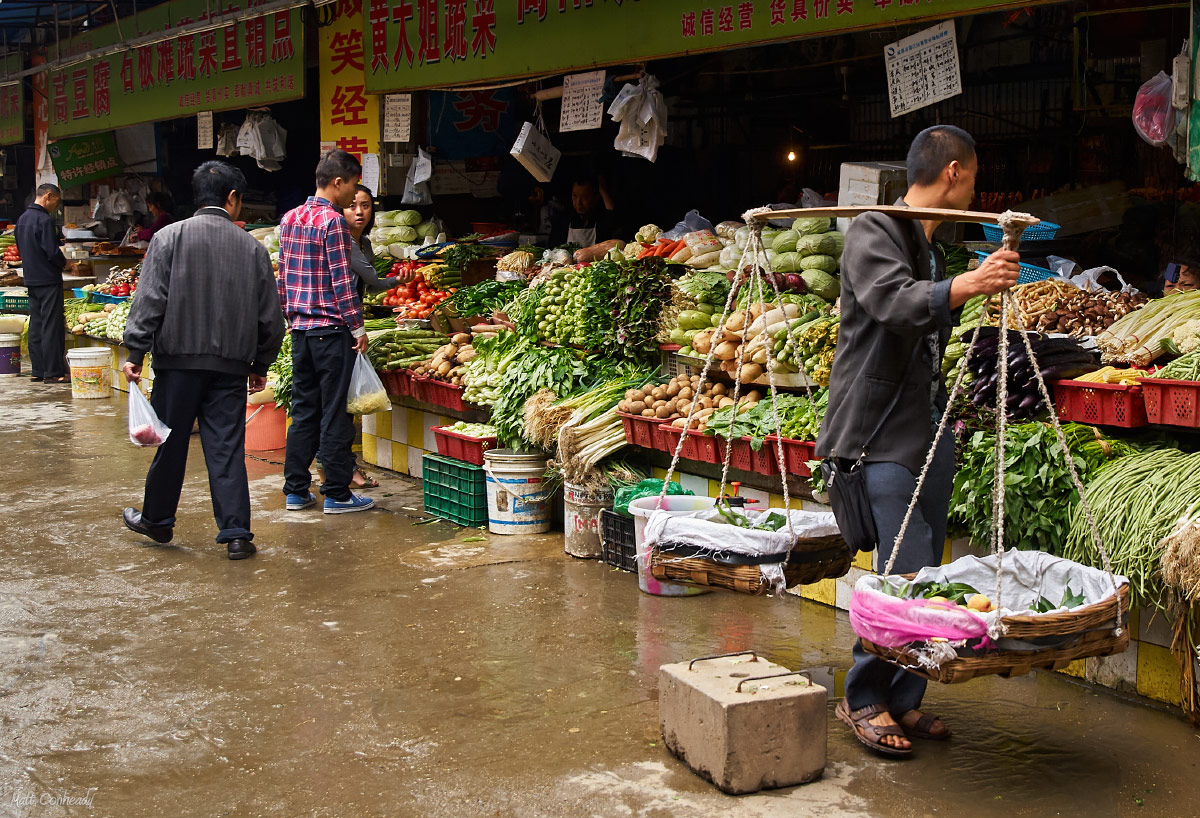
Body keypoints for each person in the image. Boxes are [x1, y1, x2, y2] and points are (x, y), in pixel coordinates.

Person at [815, 125, 1020, 758]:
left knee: (928, 570)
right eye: (976, 174)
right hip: (878, 431)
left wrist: (965, 288)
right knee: (901, 574)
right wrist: (969, 285)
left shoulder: (929, 246)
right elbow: (894, 304)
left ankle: (906, 700)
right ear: (954, 172)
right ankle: (865, 698)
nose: (975, 187)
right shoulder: (874, 229)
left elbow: (927, 313)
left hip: (923, 426)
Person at [120, 161, 285, 561]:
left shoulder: (168, 237)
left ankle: (158, 520)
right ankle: (236, 533)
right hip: (230, 366)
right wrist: (261, 365)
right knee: (226, 448)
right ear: (232, 199)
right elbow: (271, 319)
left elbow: (150, 299)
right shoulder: (252, 248)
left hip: (177, 363)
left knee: (171, 442)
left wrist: (136, 351)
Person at [277, 149, 375, 515]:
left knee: (303, 412)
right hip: (332, 332)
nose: (354, 196)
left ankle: (296, 491)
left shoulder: (289, 218)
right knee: (335, 414)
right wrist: (358, 327)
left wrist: (292, 321)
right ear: (337, 182)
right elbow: (342, 282)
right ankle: (336, 492)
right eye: (351, 186)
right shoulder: (333, 223)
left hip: (301, 333)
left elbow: (282, 281)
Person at [16, 183, 68, 384]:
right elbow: (51, 251)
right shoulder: (44, 220)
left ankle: (37, 370)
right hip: (48, 279)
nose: (56, 205)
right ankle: (53, 372)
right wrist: (64, 263)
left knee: (36, 324)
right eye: (56, 200)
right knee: (51, 325)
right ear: (48, 196)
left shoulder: (22, 219)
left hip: (31, 278)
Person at [550, 175, 619, 247]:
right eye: (575, 196)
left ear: (596, 197)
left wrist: (603, 190)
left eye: (585, 197)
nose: (578, 202)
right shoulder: (564, 221)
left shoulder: (602, 220)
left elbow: (613, 218)